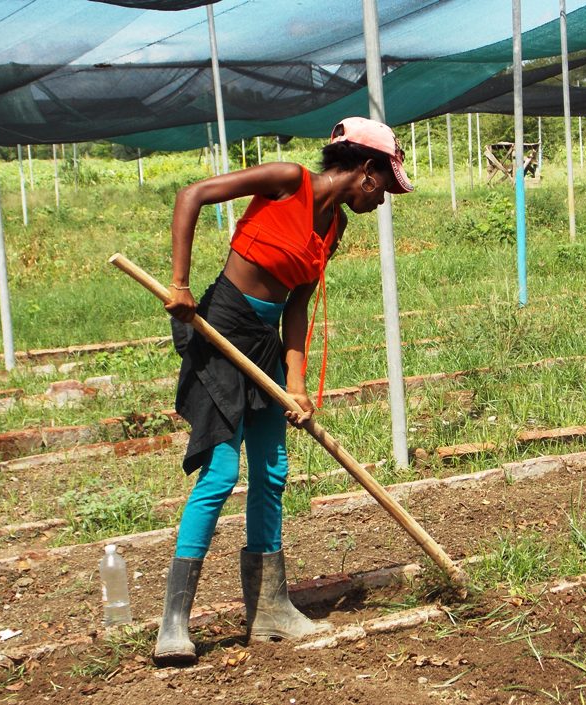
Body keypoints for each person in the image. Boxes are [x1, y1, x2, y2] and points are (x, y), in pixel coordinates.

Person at [153, 117, 413, 666]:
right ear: (366, 171)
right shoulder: (287, 181)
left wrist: (296, 384)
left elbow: (296, 305)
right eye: (385, 187)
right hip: (221, 331)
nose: (383, 200)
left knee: (272, 471)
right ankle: (173, 623)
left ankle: (269, 609)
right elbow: (191, 195)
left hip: (265, 341)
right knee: (220, 473)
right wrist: (179, 284)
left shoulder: (333, 226)